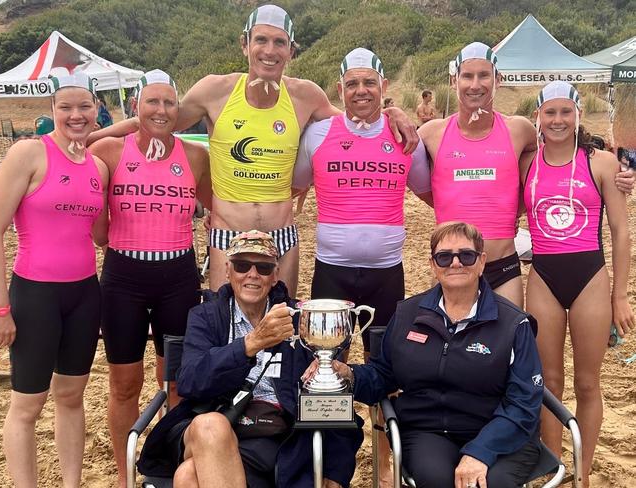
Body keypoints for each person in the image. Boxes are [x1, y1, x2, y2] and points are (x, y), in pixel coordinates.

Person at [90, 4, 418, 296]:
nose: (269, 51)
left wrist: (392, 113)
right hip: (227, 235)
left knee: (281, 331)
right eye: (261, 40)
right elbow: (157, 121)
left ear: (291, 51)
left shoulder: (306, 96)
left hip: (281, 236)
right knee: (225, 331)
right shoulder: (214, 90)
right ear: (244, 44)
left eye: (279, 43)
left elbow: (355, 121)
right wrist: (95, 138)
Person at [292, 47, 431, 488]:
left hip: (387, 273)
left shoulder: (407, 138)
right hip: (331, 271)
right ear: (340, 90)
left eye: (370, 82)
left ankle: (384, 466)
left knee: (385, 371)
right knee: (326, 370)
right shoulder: (318, 134)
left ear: (384, 88)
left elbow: (432, 192)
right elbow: (290, 185)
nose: (361, 91)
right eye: (352, 84)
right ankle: (332, 469)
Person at [136, 231, 363, 488]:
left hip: (274, 433)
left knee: (188, 476)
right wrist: (249, 344)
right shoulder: (206, 316)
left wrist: (335, 470)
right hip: (206, 421)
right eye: (242, 265)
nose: (252, 275)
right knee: (211, 427)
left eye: (263, 267)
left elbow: (329, 398)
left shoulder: (299, 320)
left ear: (275, 274)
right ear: (228, 270)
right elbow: (189, 382)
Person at [419, 42, 634, 307]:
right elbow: (397, 165)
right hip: (450, 266)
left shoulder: (519, 130)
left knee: (508, 347)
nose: (475, 84)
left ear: (498, 79)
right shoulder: (431, 134)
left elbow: (556, 156)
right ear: (454, 81)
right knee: (446, 348)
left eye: (484, 75)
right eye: (467, 75)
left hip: (503, 270)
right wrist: (393, 114)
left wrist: (616, 173)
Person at [330, 222, 544, 488]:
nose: (455, 263)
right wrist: (347, 374)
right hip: (428, 429)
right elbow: (383, 375)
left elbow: (524, 401)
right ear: (433, 264)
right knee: (437, 480)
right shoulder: (408, 314)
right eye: (444, 257)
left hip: (499, 430)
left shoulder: (514, 324)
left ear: (481, 262)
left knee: (489, 484)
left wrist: (480, 451)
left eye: (466, 255)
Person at [88, 69, 212, 487]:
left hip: (177, 277)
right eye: (152, 102)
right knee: (125, 383)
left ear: (179, 112)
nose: (161, 110)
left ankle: (169, 467)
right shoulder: (109, 150)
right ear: (137, 107)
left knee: (176, 380)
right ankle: (125, 475)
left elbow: (217, 209)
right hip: (123, 277)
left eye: (169, 103)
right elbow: (98, 229)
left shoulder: (195, 156)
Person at [0, 73, 108, 488]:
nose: (76, 115)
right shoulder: (29, 153)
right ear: (51, 111)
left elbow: (99, 234)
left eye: (85, 106)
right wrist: (0, 307)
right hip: (35, 293)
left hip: (84, 293)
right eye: (66, 107)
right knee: (28, 403)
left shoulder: (98, 166)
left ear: (97, 110)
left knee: (72, 397)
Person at [522, 81, 635, 487]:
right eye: (549, 112)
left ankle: (583, 474)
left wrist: (619, 295)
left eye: (565, 112)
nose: (557, 120)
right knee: (548, 383)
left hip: (590, 275)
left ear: (578, 115)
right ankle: (555, 470)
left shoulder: (601, 162)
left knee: (588, 382)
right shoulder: (527, 162)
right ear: (538, 117)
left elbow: (621, 231)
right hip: (543, 276)